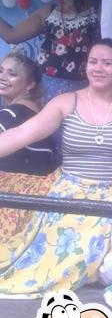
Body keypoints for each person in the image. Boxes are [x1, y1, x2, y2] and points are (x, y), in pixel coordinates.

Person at [0, 39, 112, 297]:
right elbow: (20, 134)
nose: (98, 68)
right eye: (93, 61)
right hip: (69, 192)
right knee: (50, 259)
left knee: (87, 252)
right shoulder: (66, 102)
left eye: (107, 62)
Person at [0, 0, 100, 100]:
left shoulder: (97, 11)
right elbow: (11, 36)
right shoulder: (48, 12)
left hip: (84, 91)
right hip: (46, 89)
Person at [0, 53, 57, 239]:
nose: (2, 77)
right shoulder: (35, 110)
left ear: (29, 85)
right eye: (1, 71)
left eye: (12, 74)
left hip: (15, 195)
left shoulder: (11, 114)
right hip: (36, 193)